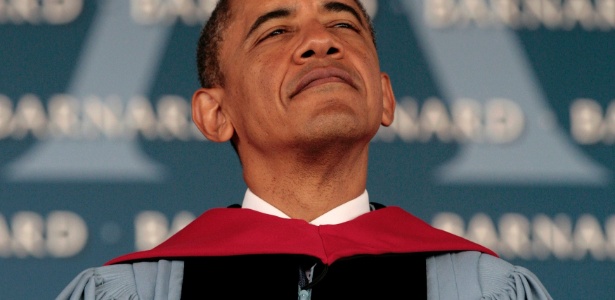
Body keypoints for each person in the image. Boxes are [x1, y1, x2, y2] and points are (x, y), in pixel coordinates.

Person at [58, 0, 552, 299]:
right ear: (215, 114)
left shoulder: (484, 289)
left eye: (344, 25)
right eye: (276, 30)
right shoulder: (136, 293)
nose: (320, 42)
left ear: (384, 97)